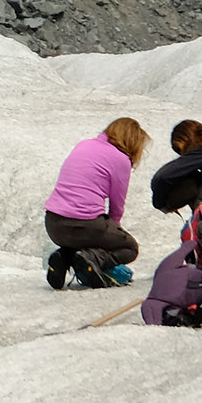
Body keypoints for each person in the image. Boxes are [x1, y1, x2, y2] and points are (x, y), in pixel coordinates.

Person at [43, 117, 148, 289]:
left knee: (88, 237)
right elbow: (117, 206)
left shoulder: (84, 144)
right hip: (87, 225)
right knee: (130, 248)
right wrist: (112, 237)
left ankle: (64, 257)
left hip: (53, 224)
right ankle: (94, 258)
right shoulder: (121, 159)